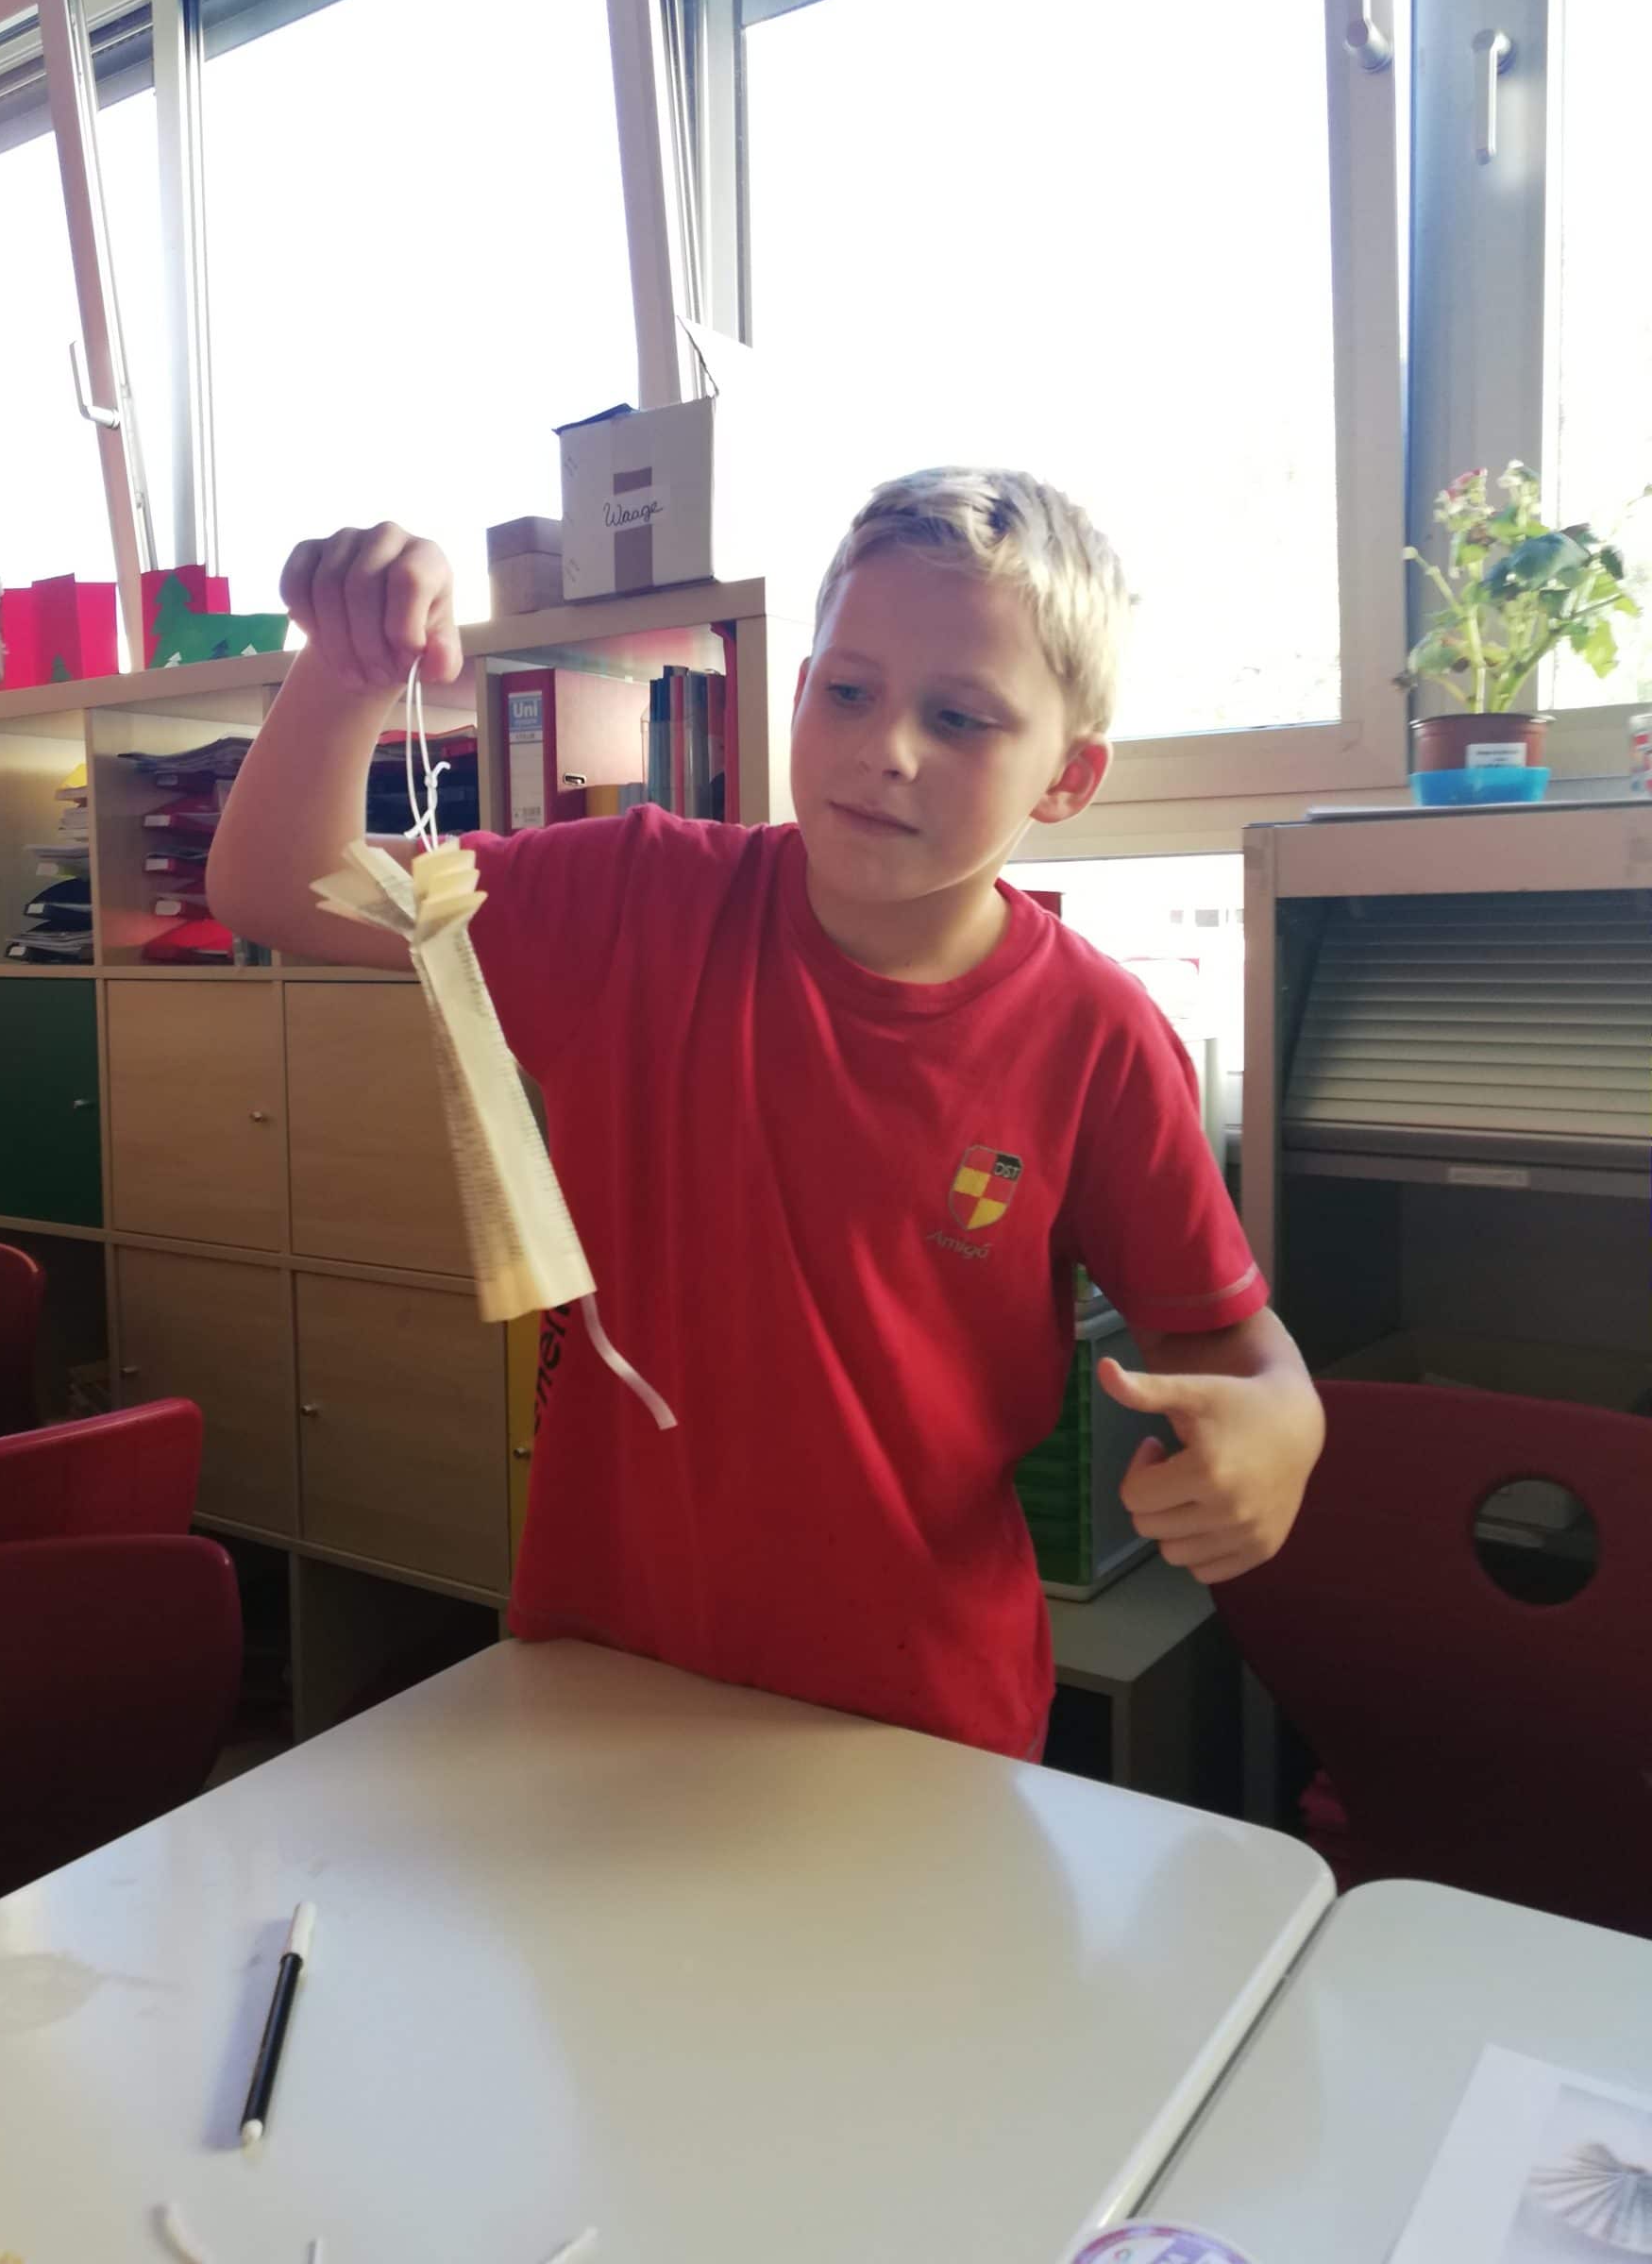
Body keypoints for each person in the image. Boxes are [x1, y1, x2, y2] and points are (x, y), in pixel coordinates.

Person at [209, 468, 1323, 1760]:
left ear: (1066, 777)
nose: (885, 748)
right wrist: (347, 664)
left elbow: (1231, 1343)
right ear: (798, 690)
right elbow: (280, 887)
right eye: (847, 691)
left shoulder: (1097, 1035)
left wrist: (1283, 1428)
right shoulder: (633, 902)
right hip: (611, 1675)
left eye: (959, 718)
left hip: (918, 1723)